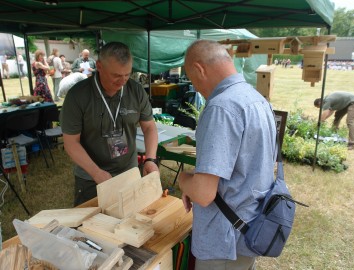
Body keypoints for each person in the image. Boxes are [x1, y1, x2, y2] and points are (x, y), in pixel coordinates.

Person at [178, 40, 277, 270]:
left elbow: (203, 194)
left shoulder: (221, 108)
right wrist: (198, 175)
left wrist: (184, 180)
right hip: (250, 228)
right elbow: (245, 167)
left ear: (200, 69)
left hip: (223, 242)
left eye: (193, 81)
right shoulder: (257, 99)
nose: (197, 88)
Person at [60, 42, 159, 206]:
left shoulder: (136, 91)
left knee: (130, 222)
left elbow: (149, 127)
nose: (122, 81)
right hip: (91, 178)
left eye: (127, 74)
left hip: (129, 173)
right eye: (116, 75)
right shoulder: (78, 96)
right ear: (99, 66)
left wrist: (150, 159)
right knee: (89, 227)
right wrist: (96, 173)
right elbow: (71, 143)